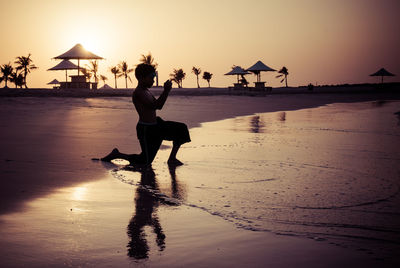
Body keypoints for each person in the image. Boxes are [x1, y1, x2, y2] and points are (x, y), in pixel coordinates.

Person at [99, 63, 191, 166]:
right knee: (145, 161)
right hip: (146, 130)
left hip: (156, 125)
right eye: (151, 77)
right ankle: (117, 154)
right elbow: (157, 106)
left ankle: (172, 158)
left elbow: (156, 105)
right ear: (142, 78)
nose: (153, 80)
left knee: (181, 129)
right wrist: (166, 91)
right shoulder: (139, 92)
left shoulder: (146, 91)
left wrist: (166, 91)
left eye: (154, 77)